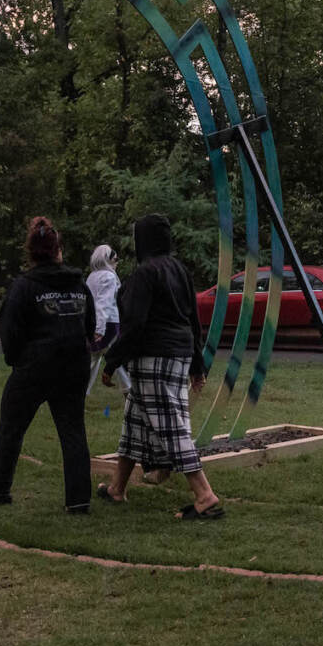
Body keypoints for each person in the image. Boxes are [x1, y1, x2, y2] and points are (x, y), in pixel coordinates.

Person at [97, 214, 223, 519]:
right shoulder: (179, 270)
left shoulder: (144, 273)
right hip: (178, 353)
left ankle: (205, 496)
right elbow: (192, 322)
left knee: (171, 426)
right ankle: (117, 488)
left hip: (154, 355)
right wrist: (197, 365)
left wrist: (112, 361)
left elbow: (135, 324)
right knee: (135, 424)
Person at [0, 217, 94, 513]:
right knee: (73, 431)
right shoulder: (79, 285)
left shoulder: (23, 287)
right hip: (74, 366)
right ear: (58, 250)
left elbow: (10, 331)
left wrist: (17, 361)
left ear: (30, 253)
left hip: (34, 368)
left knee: (11, 428)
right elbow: (90, 326)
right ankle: (79, 499)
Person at [85, 244, 129, 393]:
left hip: (96, 323)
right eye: (115, 259)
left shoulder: (91, 276)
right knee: (114, 355)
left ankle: (82, 391)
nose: (117, 262)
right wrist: (100, 329)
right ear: (107, 260)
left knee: (95, 358)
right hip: (109, 324)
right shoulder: (109, 277)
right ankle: (128, 388)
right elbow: (104, 303)